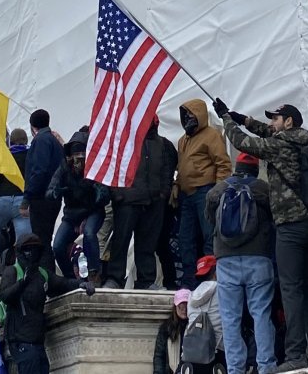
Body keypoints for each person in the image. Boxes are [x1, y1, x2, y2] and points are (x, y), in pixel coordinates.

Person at [213, 98, 308, 371]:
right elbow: (264, 132)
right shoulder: (303, 142)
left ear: (288, 122)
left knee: (290, 290)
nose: (272, 123)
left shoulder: (280, 146)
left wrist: (226, 120)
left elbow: (244, 143)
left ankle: (296, 354)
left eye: (276, 119)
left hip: (290, 227)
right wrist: (242, 118)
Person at [205, 152, 277, 374]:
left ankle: (235, 368)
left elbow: (209, 218)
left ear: (237, 167)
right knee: (261, 313)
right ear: (255, 169)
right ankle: (266, 366)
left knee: (230, 317)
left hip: (226, 259)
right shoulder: (263, 189)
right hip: (258, 258)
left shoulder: (218, 190)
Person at [0, 234, 96, 374]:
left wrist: (81, 284)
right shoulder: (12, 271)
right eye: (27, 250)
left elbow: (62, 284)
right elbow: (5, 296)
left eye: (35, 250)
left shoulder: (42, 274)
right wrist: (23, 282)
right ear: (20, 251)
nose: (31, 254)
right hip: (20, 340)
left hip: (37, 340)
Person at [106, 116, 177, 290]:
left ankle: (146, 280)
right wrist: (117, 195)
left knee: (147, 245)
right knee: (120, 242)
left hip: (153, 201)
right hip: (128, 200)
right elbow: (113, 167)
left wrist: (163, 192)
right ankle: (114, 279)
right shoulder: (124, 141)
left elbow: (167, 170)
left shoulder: (161, 143)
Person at [176, 99, 232, 287]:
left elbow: (223, 164)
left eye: (191, 115)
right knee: (185, 239)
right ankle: (189, 280)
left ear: (199, 115)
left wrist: (218, 190)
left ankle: (211, 278)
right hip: (186, 195)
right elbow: (181, 167)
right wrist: (176, 187)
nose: (187, 119)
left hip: (205, 192)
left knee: (209, 236)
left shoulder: (211, 135)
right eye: (185, 115)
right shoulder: (182, 140)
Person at [48, 127, 109, 281]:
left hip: (92, 211)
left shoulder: (95, 169)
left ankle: (94, 272)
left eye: (82, 157)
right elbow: (51, 188)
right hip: (72, 214)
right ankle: (70, 277)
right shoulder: (64, 168)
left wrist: (97, 193)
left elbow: (105, 196)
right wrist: (55, 192)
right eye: (76, 157)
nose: (79, 162)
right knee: (57, 246)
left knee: (89, 233)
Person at [0, 130, 33, 284]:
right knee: (23, 241)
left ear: (11, 141)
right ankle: (21, 275)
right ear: (25, 140)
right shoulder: (30, 156)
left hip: (3, 200)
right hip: (22, 202)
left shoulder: (3, 156)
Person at [24, 109, 64, 273]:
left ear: (33, 127)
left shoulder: (40, 140)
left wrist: (27, 197)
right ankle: (47, 274)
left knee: (40, 239)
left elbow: (39, 171)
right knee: (45, 237)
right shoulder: (55, 142)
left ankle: (45, 275)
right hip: (54, 198)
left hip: (41, 199)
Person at [185, 255, 226, 372]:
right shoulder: (222, 290)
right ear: (216, 272)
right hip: (217, 352)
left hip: (192, 353)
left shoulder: (191, 295)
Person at [153, 289, 191, 374]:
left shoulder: (195, 327)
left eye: (187, 306)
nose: (184, 310)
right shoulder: (166, 328)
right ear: (175, 307)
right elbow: (159, 356)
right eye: (181, 306)